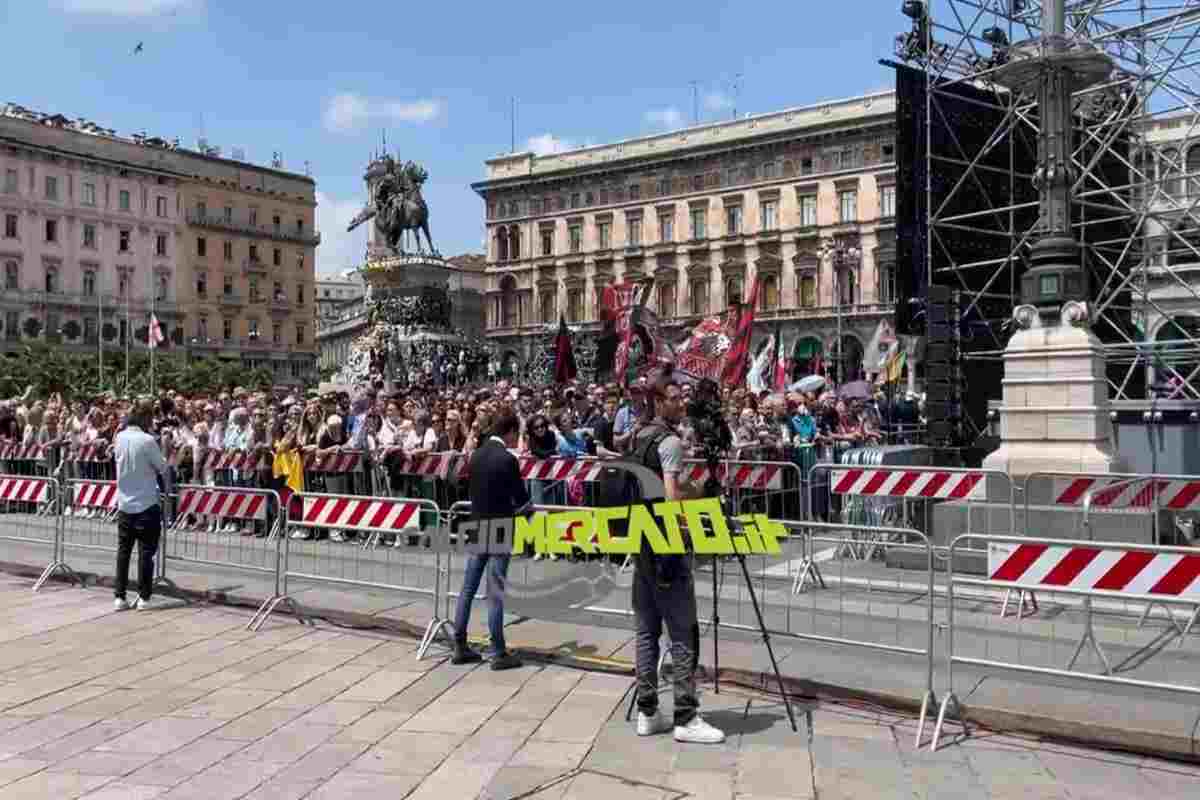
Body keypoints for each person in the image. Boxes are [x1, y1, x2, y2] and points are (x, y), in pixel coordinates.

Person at [629, 375, 724, 744]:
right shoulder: (669, 442)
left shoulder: (639, 437)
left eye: (682, 396)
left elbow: (668, 487)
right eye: (673, 397)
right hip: (666, 548)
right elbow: (670, 499)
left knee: (647, 631)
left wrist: (699, 490)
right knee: (683, 631)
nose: (680, 402)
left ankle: (647, 711)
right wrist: (688, 534)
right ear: (656, 401)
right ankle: (686, 715)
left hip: (642, 541)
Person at [452, 410, 527, 671]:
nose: (515, 438)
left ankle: (459, 644)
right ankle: (497, 651)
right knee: (494, 593)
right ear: (509, 432)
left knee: (468, 588)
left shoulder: (477, 455)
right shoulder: (507, 459)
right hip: (500, 528)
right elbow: (521, 498)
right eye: (515, 434)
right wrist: (527, 510)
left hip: (476, 524)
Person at [112, 398, 173, 612]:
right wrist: (166, 446)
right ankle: (144, 597)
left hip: (124, 503)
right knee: (146, 553)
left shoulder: (119, 437)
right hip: (146, 503)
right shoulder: (147, 440)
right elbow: (163, 468)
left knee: (123, 552)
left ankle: (119, 596)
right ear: (145, 417)